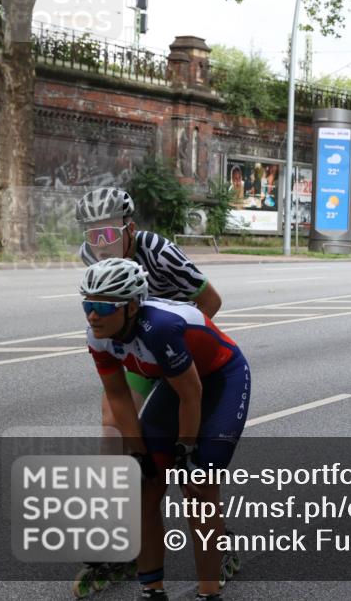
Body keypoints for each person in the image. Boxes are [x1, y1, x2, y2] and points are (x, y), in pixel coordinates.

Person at [74, 187, 226, 595]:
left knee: (185, 452)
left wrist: (171, 353)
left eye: (108, 235)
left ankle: (215, 536)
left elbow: (211, 300)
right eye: (91, 236)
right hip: (133, 344)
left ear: (130, 229)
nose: (100, 246)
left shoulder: (159, 252)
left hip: (174, 344)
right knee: (114, 428)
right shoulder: (90, 258)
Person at [81, 259, 250, 601]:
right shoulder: (98, 336)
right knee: (146, 485)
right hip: (180, 386)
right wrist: (138, 452)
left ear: (130, 305)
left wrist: (185, 449)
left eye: (101, 306)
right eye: (87, 304)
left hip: (220, 378)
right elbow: (118, 396)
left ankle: (208, 591)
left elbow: (192, 394)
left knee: (198, 487)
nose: (92, 315)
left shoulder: (159, 328)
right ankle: (152, 589)